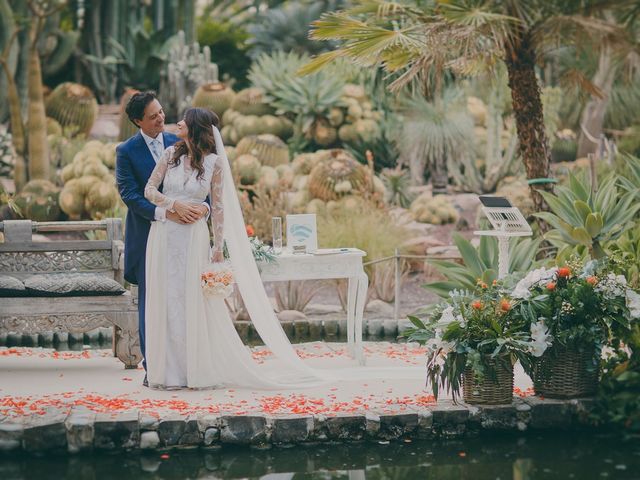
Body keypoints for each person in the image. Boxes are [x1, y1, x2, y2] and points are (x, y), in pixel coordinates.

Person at [116, 92, 209, 387]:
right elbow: (129, 194)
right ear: (137, 121)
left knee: (183, 299)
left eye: (160, 112)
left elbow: (202, 184)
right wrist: (166, 212)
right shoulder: (126, 151)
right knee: (151, 301)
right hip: (149, 235)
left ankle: (185, 363)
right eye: (153, 116)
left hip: (186, 239)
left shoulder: (178, 143)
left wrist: (202, 210)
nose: (161, 118)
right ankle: (153, 367)